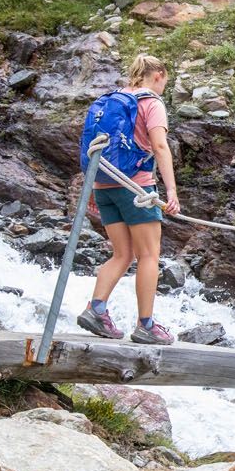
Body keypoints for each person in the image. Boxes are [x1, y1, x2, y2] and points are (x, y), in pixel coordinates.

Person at [75, 54, 181, 345]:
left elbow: (96, 144)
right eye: (165, 81)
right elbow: (160, 146)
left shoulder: (112, 99)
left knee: (122, 254)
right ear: (158, 74)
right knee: (148, 255)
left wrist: (95, 185)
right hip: (137, 188)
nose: (164, 87)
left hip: (103, 185)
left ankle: (96, 309)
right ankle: (146, 324)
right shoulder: (152, 103)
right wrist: (171, 191)